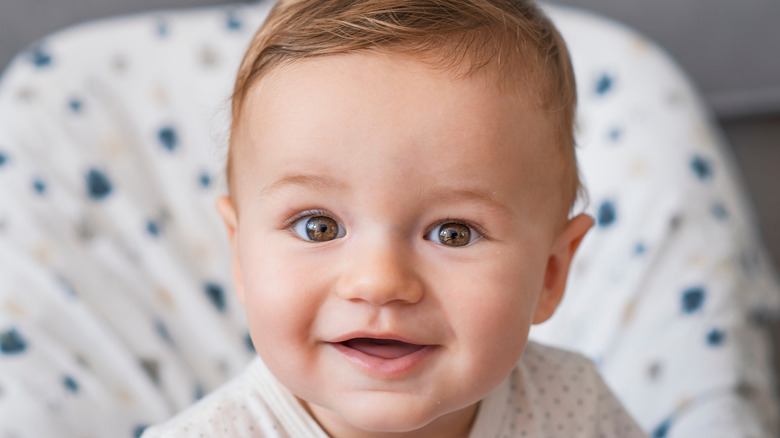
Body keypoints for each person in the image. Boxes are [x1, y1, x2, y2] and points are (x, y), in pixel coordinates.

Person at [142, 0, 647, 436]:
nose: (380, 281)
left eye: (454, 233)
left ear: (551, 273)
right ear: (239, 254)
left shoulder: (575, 410)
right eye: (318, 227)